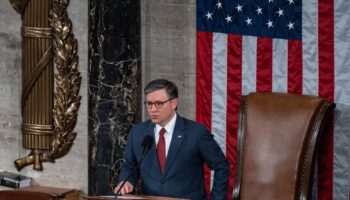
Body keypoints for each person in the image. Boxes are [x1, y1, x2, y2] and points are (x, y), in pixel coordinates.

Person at [114, 79, 229, 199]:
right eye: (149, 104)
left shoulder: (196, 132)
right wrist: (125, 181)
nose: (153, 109)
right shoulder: (138, 132)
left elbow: (221, 166)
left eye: (159, 103)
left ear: (173, 103)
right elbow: (130, 166)